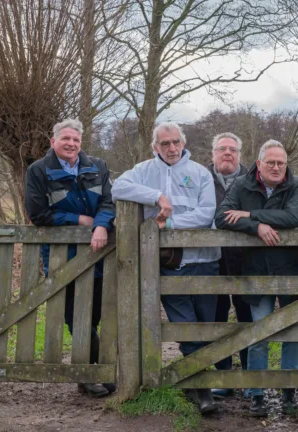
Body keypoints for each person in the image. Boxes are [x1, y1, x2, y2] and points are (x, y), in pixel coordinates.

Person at [111, 122, 221, 414]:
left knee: (205, 326)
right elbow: (117, 186)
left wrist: (168, 225)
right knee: (185, 327)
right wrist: (156, 197)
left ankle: (192, 381)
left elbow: (206, 213)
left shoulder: (200, 173)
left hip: (204, 261)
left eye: (175, 143)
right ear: (155, 147)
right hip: (168, 264)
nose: (171, 149)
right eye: (164, 144)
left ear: (184, 143)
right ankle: (204, 390)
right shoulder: (144, 171)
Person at [24, 119, 116, 397]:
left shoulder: (97, 167)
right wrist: (80, 220)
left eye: (76, 140)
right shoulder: (39, 170)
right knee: (76, 316)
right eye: (65, 139)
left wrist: (100, 224)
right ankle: (88, 374)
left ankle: (98, 371)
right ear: (53, 142)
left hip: (100, 252)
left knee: (97, 314)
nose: (71, 144)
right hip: (62, 256)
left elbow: (110, 202)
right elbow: (38, 213)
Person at [214, 139, 298, 417]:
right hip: (255, 269)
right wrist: (258, 227)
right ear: (259, 164)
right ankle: (256, 394)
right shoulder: (242, 184)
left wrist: (251, 213)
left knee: (292, 331)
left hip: (290, 269)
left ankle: (289, 391)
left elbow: (292, 217)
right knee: (258, 332)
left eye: (281, 163)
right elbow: (221, 217)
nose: (277, 168)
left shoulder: (296, 184)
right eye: (271, 163)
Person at [206, 133, 253, 398]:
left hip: (246, 260)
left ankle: (248, 374)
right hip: (213, 259)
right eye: (222, 149)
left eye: (232, 149)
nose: (227, 153)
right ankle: (223, 374)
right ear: (212, 154)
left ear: (239, 154)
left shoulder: (251, 180)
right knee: (217, 317)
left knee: (248, 317)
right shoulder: (202, 179)